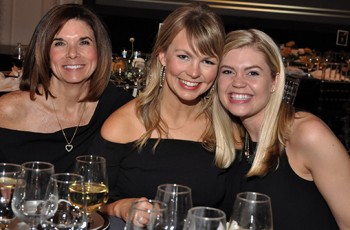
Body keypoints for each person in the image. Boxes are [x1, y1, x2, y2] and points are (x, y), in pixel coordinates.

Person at [91, 2, 230, 222]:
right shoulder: (124, 124)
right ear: (163, 56)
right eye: (184, 56)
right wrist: (121, 208)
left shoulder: (227, 130)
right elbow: (87, 207)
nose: (194, 72)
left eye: (207, 61)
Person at [213, 29, 350, 229]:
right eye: (227, 71)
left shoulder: (307, 134)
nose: (238, 82)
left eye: (252, 72)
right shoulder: (232, 139)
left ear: (274, 81)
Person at [0, 4, 132, 173]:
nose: (72, 53)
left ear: (99, 50)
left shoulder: (118, 108)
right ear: (45, 51)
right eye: (60, 43)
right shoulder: (9, 110)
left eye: (84, 42)